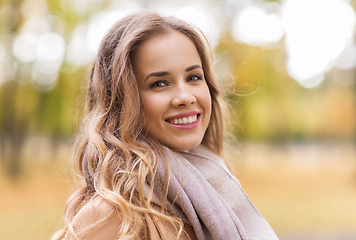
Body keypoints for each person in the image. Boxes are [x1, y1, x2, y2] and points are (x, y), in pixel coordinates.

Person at [52, 11, 279, 240]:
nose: (185, 97)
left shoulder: (215, 188)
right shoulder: (110, 216)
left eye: (193, 77)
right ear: (122, 101)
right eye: (159, 83)